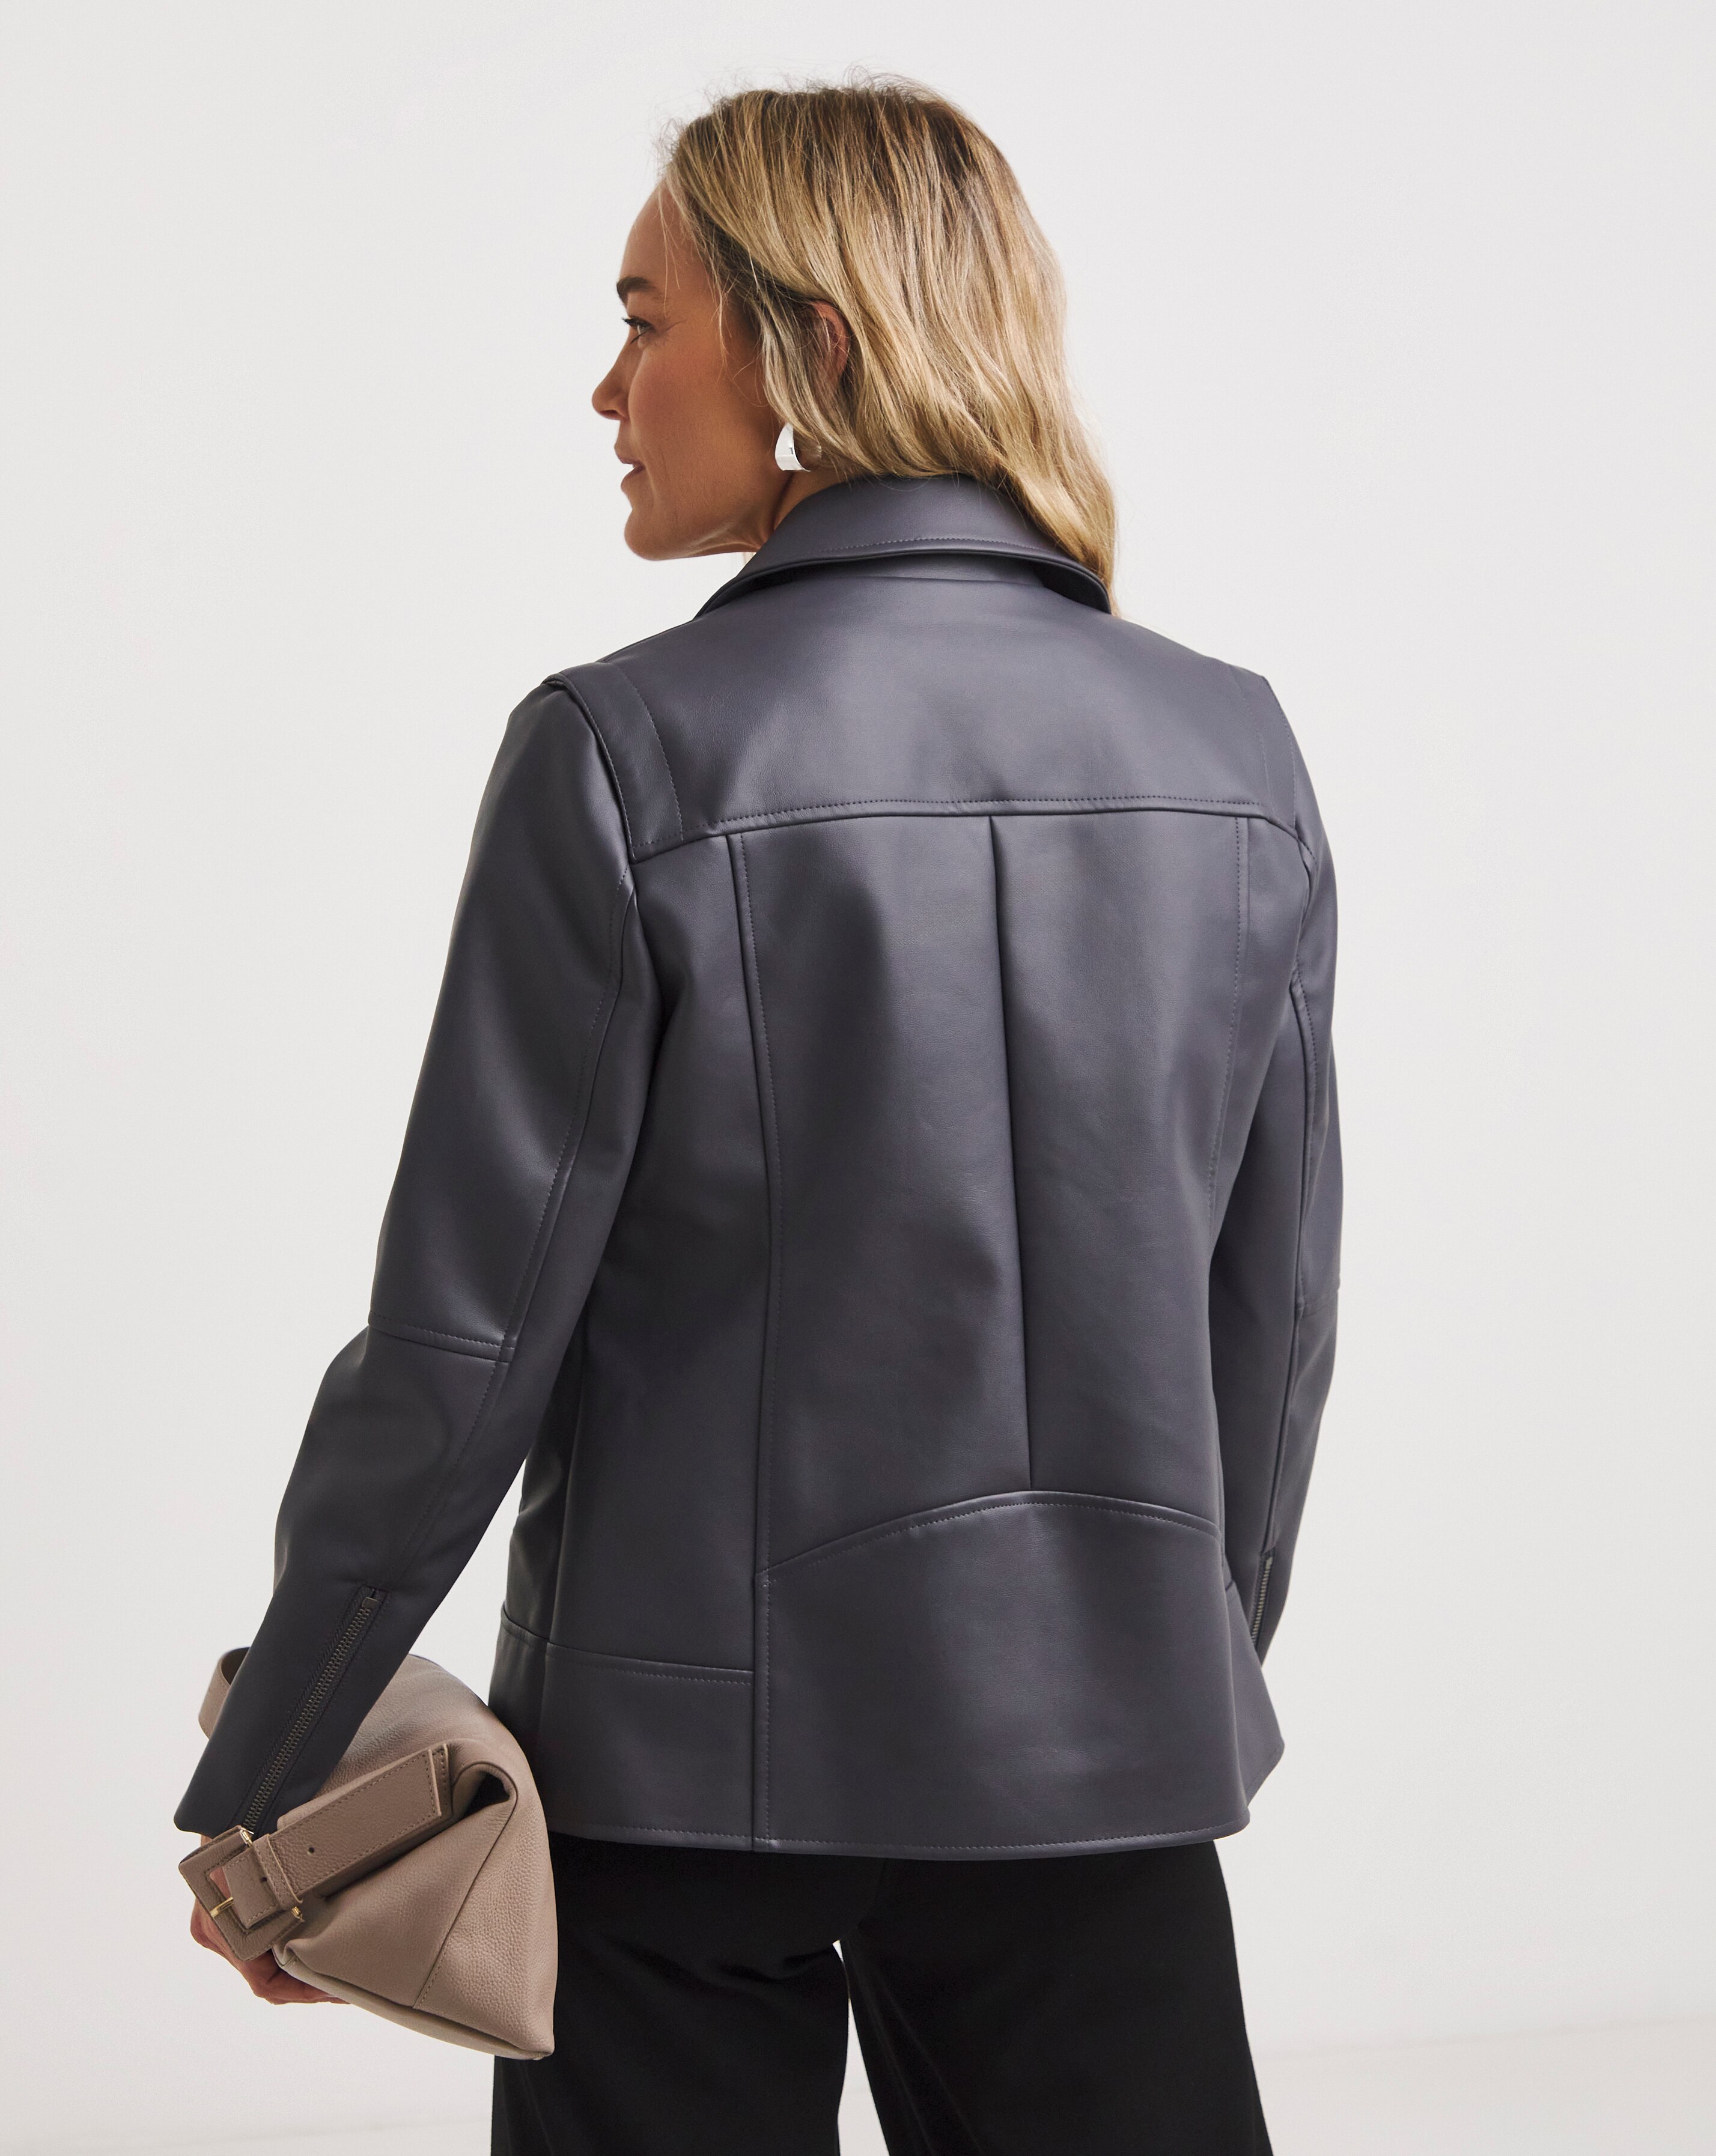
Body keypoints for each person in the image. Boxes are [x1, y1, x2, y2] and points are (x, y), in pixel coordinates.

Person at [178, 77, 1339, 2156]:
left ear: (809, 344)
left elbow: (462, 1346)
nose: (607, 386)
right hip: (1100, 1767)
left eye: (646, 321)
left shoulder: (627, 753)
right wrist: (1163, 1667)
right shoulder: (1232, 752)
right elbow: (1274, 1316)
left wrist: (277, 1766)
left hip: (679, 1787)